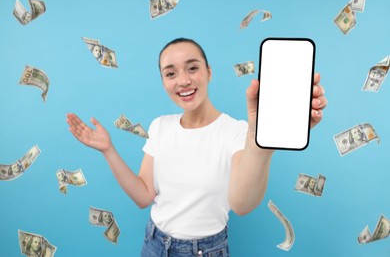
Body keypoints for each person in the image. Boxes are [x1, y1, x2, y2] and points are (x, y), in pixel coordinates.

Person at [66, 37, 327, 256]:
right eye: (171, 73)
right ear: (163, 81)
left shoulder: (236, 131)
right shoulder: (160, 126)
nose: (183, 80)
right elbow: (143, 196)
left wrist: (261, 145)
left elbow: (242, 204)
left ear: (209, 72)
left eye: (192, 68)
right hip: (154, 243)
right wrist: (108, 149)